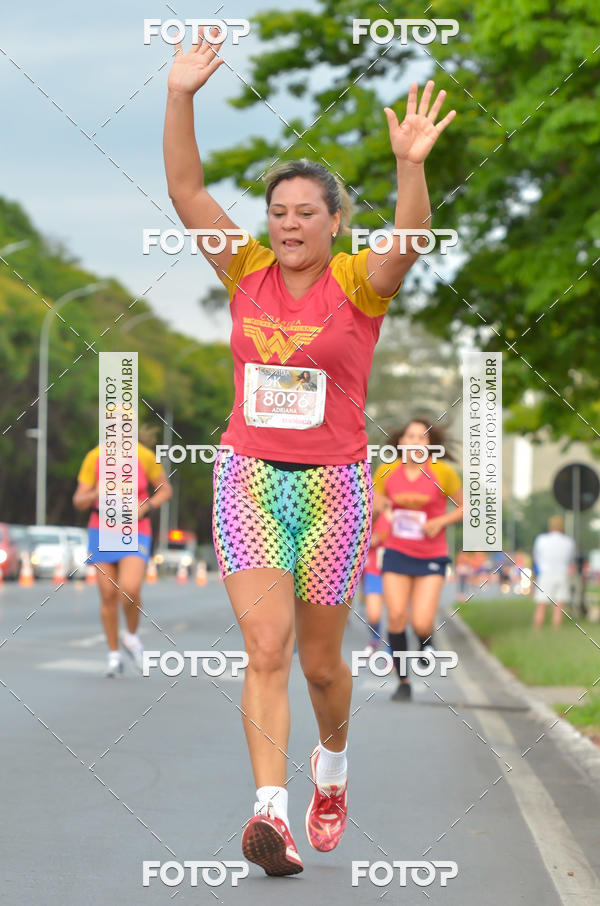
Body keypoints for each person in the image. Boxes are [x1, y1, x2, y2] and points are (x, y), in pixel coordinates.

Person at [163, 25, 456, 876]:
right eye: (278, 212)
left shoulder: (359, 284)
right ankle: (270, 814)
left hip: (333, 488)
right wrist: (180, 94)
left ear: (334, 221)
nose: (289, 225)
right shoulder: (245, 269)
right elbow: (186, 189)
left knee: (324, 667)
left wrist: (410, 167)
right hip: (249, 477)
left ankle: (332, 768)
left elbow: (410, 240)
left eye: (305, 213)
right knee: (266, 649)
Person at [373, 419, 463, 701]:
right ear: (400, 442)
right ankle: (403, 681)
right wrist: (381, 505)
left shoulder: (443, 472)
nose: (415, 442)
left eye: (421, 437)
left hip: (431, 555)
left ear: (430, 444)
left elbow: (465, 507)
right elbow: (374, 501)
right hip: (396, 552)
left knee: (421, 622)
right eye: (410, 436)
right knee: (396, 616)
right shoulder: (386, 470)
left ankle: (426, 639)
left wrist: (440, 522)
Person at [73, 431, 172, 676]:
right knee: (108, 595)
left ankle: (132, 636)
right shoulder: (95, 457)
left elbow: (165, 490)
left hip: (136, 529)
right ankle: (114, 655)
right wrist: (96, 492)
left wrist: (146, 506)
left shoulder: (144, 456)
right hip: (102, 529)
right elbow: (79, 501)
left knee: (129, 588)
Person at [532, 515, 575, 628]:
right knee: (559, 605)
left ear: (550, 526)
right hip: (562, 573)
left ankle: (537, 629)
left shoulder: (541, 539)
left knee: (541, 604)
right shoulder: (569, 542)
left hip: (546, 574)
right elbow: (570, 560)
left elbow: (536, 557)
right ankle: (556, 629)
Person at [360, 510, 391, 656]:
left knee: (395, 615)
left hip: (396, 569)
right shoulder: (370, 511)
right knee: (373, 614)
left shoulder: (398, 511)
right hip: (374, 570)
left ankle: (392, 652)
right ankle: (375, 637)